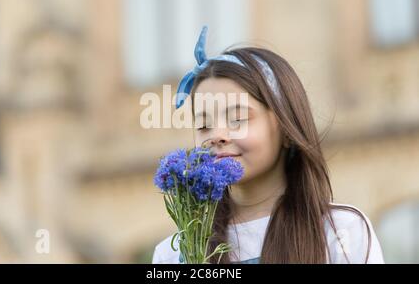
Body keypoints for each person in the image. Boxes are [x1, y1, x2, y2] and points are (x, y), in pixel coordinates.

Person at [152, 26, 384, 264]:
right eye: (203, 125)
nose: (217, 135)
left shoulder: (342, 233)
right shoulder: (174, 254)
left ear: (285, 129)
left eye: (237, 119)